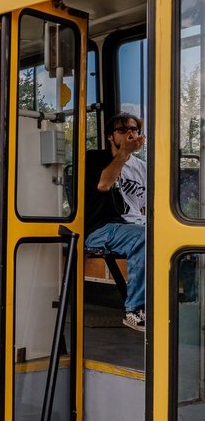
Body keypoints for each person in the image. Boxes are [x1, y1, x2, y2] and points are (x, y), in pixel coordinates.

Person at [84, 112, 147, 331]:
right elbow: (103, 185)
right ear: (111, 137)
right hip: (101, 228)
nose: (130, 134)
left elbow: (146, 205)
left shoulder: (142, 167)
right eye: (123, 130)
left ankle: (186, 302)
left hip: (134, 225)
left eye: (134, 130)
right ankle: (135, 310)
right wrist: (123, 155)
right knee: (144, 237)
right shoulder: (94, 158)